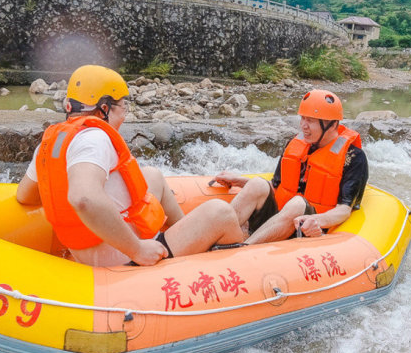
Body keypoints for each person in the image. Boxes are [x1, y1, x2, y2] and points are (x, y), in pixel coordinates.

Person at [16, 65, 243, 267]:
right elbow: (83, 198)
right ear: (105, 108)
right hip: (117, 257)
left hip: (84, 248)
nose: (124, 115)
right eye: (122, 107)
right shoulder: (95, 139)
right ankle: (204, 256)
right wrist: (137, 249)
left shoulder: (51, 144)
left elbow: (26, 196)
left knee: (152, 176)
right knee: (221, 213)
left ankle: (188, 235)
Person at [213, 89, 369, 244]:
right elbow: (276, 187)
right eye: (303, 118)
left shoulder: (353, 157)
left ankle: (244, 248)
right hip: (279, 219)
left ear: (333, 124)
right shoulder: (295, 145)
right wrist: (237, 180)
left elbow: (344, 209)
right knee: (257, 184)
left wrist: (317, 220)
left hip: (308, 225)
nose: (303, 126)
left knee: (297, 203)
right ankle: (216, 236)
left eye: (311, 121)